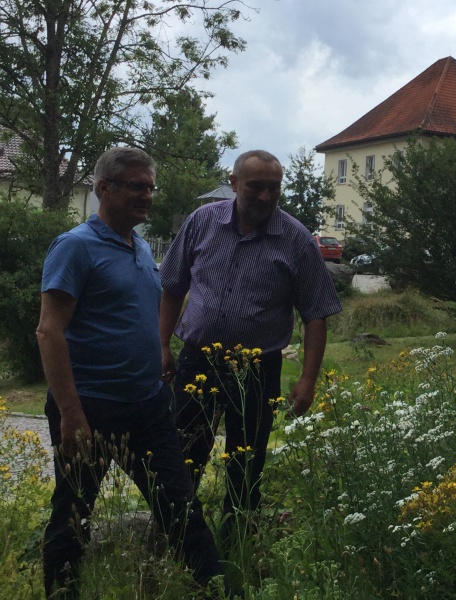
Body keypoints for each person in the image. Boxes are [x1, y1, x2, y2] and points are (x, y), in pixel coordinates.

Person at [36, 147, 226, 598]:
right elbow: (49, 331)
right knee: (72, 517)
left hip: (148, 406)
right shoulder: (75, 246)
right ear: (104, 188)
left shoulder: (139, 245)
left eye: (150, 188)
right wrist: (71, 413)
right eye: (136, 187)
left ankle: (217, 589)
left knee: (180, 508)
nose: (147, 196)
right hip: (91, 408)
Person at [159, 149, 342, 532]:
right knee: (183, 453)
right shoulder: (202, 222)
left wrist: (307, 380)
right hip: (197, 363)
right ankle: (177, 536)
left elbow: (316, 314)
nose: (264, 197)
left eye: (272, 189)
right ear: (234, 184)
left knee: (247, 461)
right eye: (255, 187)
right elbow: (173, 287)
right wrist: (161, 346)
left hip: (258, 369)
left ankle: (237, 538)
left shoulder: (295, 239)